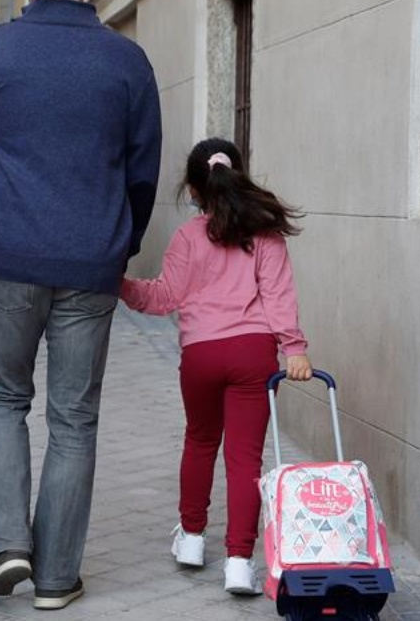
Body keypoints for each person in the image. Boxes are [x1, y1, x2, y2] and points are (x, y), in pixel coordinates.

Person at [0, 0, 162, 610]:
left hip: (11, 254)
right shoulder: (126, 58)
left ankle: (8, 542)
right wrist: (119, 246)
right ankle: (55, 576)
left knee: (3, 396)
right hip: (91, 256)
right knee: (74, 416)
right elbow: (143, 168)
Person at [120, 138, 313, 597]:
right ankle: (239, 564)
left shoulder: (188, 236)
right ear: (238, 176)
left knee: (201, 441)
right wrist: (295, 349)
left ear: (193, 189)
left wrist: (119, 285)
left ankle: (189, 540)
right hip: (253, 354)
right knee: (245, 458)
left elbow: (164, 297)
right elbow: (278, 297)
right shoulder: (265, 233)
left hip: (202, 356)